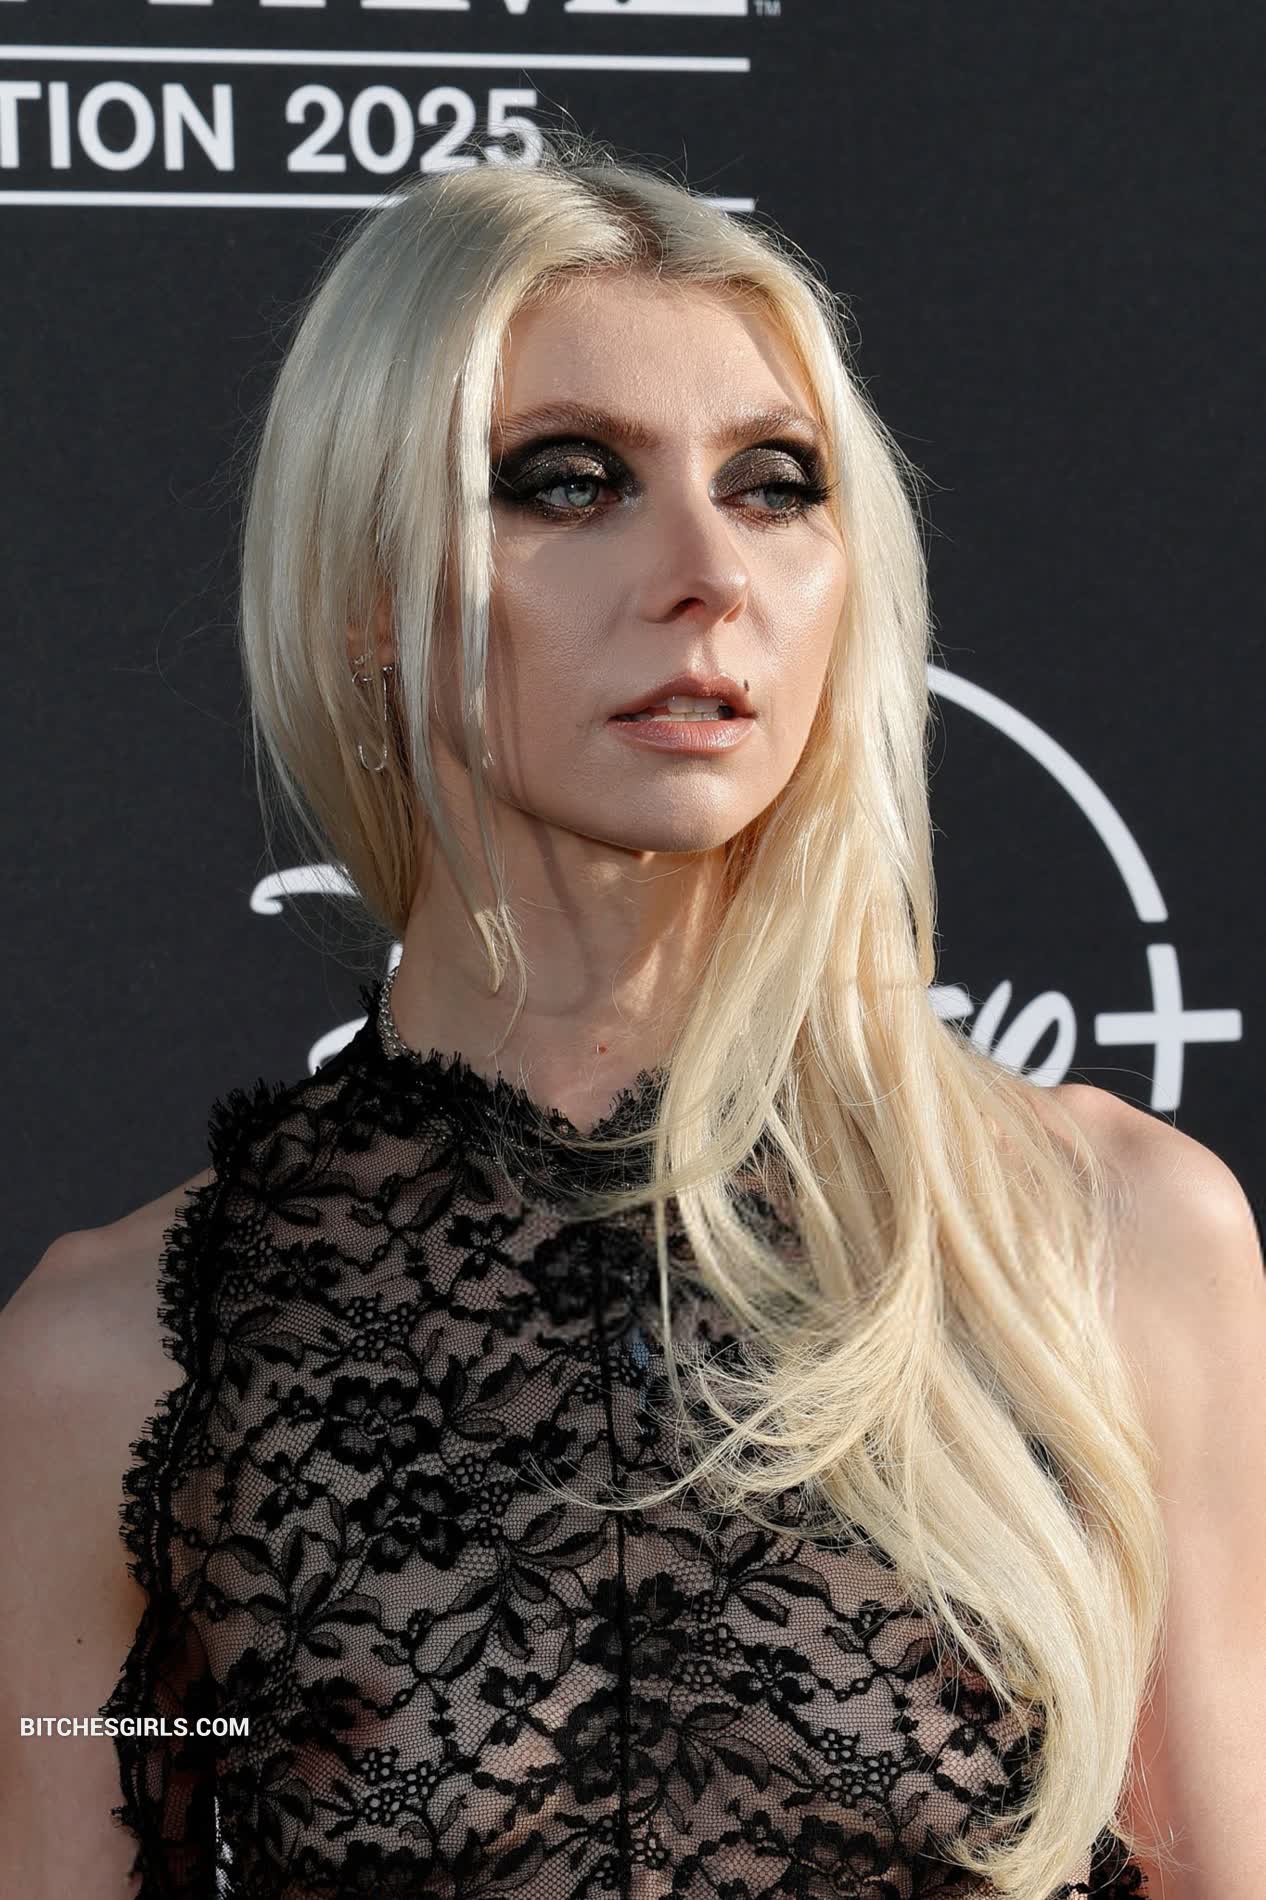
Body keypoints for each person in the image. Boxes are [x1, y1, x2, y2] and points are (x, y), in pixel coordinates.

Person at [3, 132, 1262, 1899]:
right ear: (367, 597)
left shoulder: (1102, 1241)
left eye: (773, 485)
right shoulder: (113, 1363)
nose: (705, 570)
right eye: (567, 482)